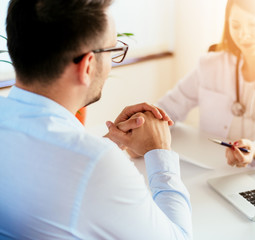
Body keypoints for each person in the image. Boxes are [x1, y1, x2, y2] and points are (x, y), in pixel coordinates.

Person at [0, 0, 192, 239]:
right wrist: (159, 152)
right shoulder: (96, 164)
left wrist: (110, 141)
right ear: (88, 65)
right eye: (113, 50)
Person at [157, 0, 255, 168]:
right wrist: (142, 124)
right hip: (218, 168)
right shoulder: (211, 65)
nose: (243, 35)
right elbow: (169, 108)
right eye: (236, 25)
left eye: (254, 24)